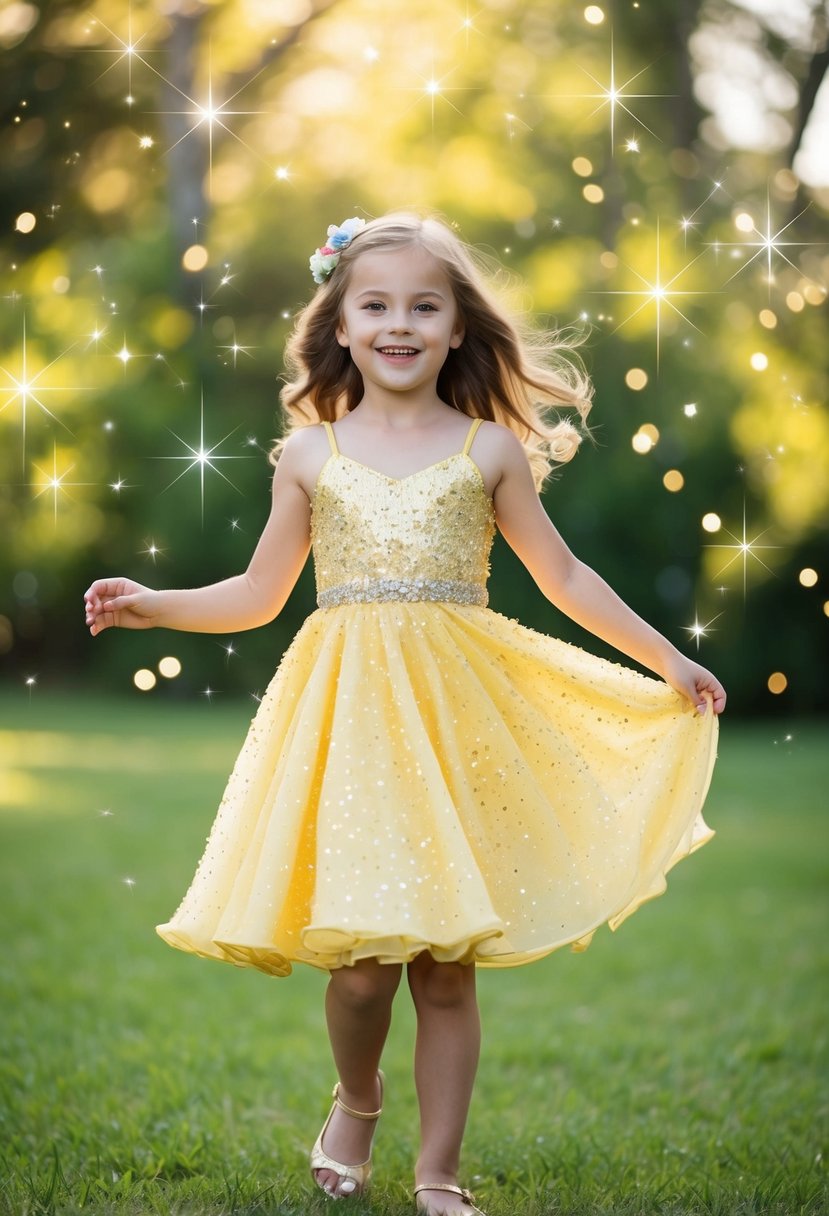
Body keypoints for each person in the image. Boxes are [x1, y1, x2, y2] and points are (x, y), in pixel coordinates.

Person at [84, 212, 726, 1216]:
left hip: (453, 723)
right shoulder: (309, 455)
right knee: (359, 977)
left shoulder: (489, 451)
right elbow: (259, 593)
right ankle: (356, 1094)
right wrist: (152, 603)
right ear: (338, 325)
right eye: (375, 305)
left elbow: (561, 577)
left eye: (424, 305)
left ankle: (439, 1171)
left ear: (458, 328)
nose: (399, 323)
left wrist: (666, 655)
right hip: (347, 728)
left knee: (443, 974)